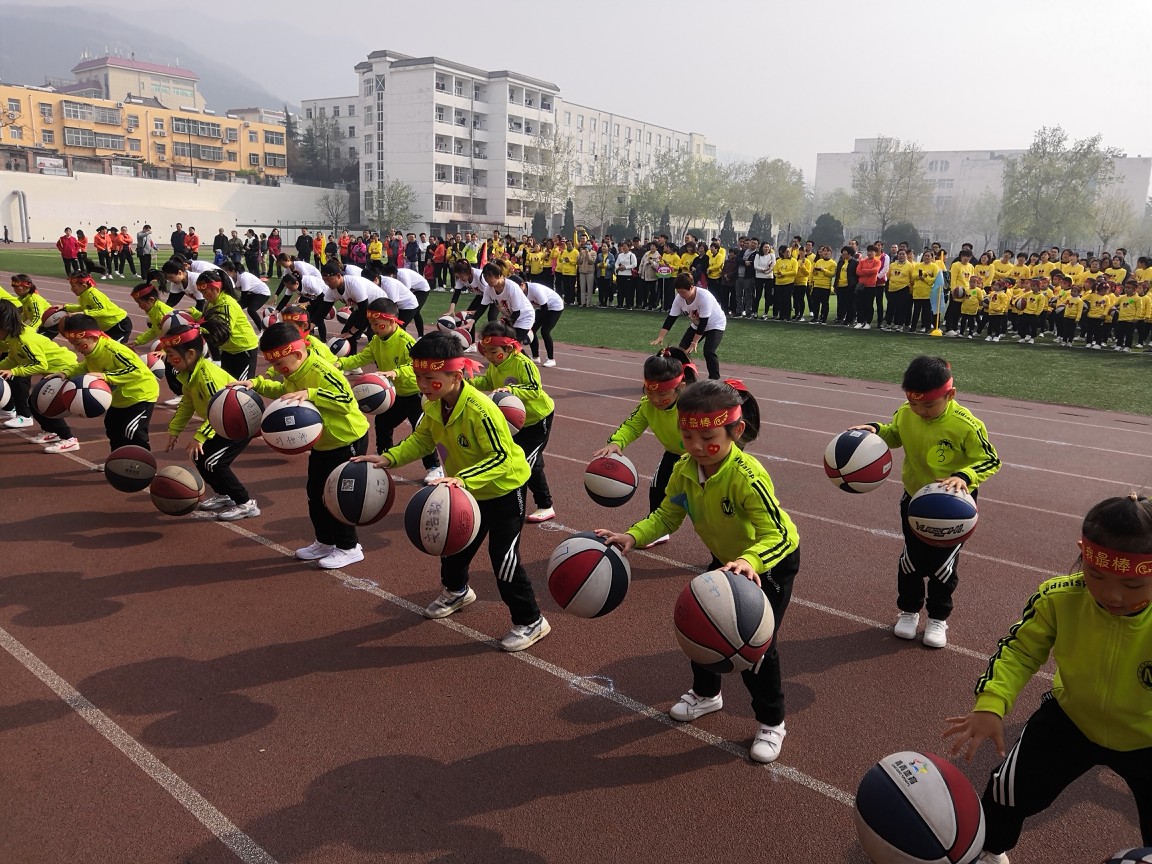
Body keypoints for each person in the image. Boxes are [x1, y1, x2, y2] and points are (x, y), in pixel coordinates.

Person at [595, 379, 799, 764]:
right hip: (726, 561)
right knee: (702, 624)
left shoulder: (747, 476)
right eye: (687, 436)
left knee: (757, 646)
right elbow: (666, 516)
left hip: (767, 564)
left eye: (708, 438)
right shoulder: (685, 470)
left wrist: (750, 561)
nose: (696, 447)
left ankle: (772, 721)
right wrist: (633, 536)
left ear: (736, 431)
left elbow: (781, 534)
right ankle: (707, 695)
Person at [944, 494, 1152, 864]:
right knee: (1007, 790)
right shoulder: (1060, 597)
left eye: (1133, 585)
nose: (1112, 594)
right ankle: (989, 849)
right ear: (1083, 556)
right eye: (1096, 575)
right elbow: (1019, 651)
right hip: (1071, 719)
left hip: (1147, 737)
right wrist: (991, 704)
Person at [353, 332, 550, 653]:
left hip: (503, 488)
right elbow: (422, 440)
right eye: (418, 376)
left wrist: (462, 479)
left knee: (503, 558)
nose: (421, 384)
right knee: (453, 545)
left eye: (429, 378)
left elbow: (502, 457)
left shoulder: (481, 410)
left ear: (456, 376)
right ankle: (457, 592)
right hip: (465, 487)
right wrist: (388, 458)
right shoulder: (433, 403)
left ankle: (531, 620)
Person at [848, 356, 1001, 648]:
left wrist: (964, 476)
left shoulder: (966, 425)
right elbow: (895, 434)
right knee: (911, 559)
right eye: (914, 404)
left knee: (943, 565)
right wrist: (877, 430)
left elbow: (991, 459)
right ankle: (908, 611)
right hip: (914, 499)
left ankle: (938, 618)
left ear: (950, 395)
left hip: (954, 507)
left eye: (929, 406)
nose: (920, 411)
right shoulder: (907, 413)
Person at [245, 322, 370, 570]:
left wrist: (312, 394)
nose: (277, 369)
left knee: (337, 497)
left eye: (279, 364)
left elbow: (347, 401)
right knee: (315, 494)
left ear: (297, 354)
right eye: (273, 365)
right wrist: (257, 384)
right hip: (323, 443)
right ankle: (325, 542)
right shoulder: (294, 371)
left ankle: (349, 547)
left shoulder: (322, 371)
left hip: (347, 440)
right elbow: (285, 391)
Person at [594, 346, 697, 547]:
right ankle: (657, 532)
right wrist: (616, 442)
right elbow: (632, 426)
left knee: (703, 506)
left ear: (681, 387)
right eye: (650, 393)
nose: (656, 400)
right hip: (674, 454)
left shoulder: (692, 408)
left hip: (701, 459)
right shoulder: (647, 406)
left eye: (663, 394)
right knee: (657, 489)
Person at [335, 297, 442, 483]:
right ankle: (383, 455)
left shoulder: (405, 341)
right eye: (371, 323)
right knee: (383, 422)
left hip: (415, 394)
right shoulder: (376, 341)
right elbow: (360, 358)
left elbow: (416, 366)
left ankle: (434, 467)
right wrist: (340, 363)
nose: (373, 327)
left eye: (377, 324)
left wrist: (396, 372)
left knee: (421, 431)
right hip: (394, 394)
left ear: (392, 321)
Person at [162, 319, 260, 522]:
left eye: (171, 355)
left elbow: (221, 410)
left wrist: (200, 437)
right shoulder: (189, 373)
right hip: (222, 422)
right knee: (201, 457)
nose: (169, 360)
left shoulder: (208, 377)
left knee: (214, 462)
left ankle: (246, 503)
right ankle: (225, 494)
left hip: (239, 422)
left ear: (190, 354)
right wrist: (174, 430)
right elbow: (187, 404)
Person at [472, 321, 556, 523]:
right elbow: (489, 382)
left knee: (527, 463)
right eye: (486, 352)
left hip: (537, 419)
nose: (489, 356)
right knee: (517, 458)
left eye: (494, 352)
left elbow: (534, 389)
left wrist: (510, 390)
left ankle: (545, 505)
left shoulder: (522, 363)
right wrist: (468, 382)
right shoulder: (496, 365)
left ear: (508, 348)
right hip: (515, 423)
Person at [52, 313, 159, 458]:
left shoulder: (113, 350)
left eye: (79, 344)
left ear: (94, 337)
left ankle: (141, 464)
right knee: (113, 428)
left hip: (140, 395)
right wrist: (66, 373)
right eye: (73, 344)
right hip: (119, 398)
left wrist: (106, 376)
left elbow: (137, 370)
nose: (77, 348)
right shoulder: (93, 350)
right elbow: (85, 366)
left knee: (132, 431)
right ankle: (117, 461)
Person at [0, 299, 79, 448]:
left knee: (45, 402)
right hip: (53, 371)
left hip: (64, 369)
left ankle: (69, 439)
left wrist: (14, 371)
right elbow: (13, 359)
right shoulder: (14, 337)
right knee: (33, 403)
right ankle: (52, 432)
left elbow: (40, 364)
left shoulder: (24, 340)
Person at [650, 273, 726, 380]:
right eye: (678, 292)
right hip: (697, 324)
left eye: (683, 292)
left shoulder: (704, 297)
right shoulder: (679, 299)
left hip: (715, 324)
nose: (680, 295)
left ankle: (714, 380)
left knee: (709, 351)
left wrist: (694, 342)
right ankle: (686, 378)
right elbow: (671, 318)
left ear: (691, 287)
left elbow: (704, 323)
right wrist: (661, 336)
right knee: (681, 351)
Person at [196, 271, 260, 379]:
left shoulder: (227, 304)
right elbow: (207, 319)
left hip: (243, 349)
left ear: (216, 289)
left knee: (242, 386)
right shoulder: (212, 303)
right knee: (226, 383)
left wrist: (199, 329)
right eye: (202, 293)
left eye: (205, 292)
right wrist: (194, 315)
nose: (204, 296)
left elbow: (223, 332)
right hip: (228, 350)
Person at [62, 268, 132, 343]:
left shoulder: (93, 295)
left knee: (117, 348)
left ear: (84, 286)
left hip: (119, 324)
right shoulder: (83, 295)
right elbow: (83, 308)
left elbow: (102, 311)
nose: (72, 289)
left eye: (73, 286)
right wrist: (65, 307)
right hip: (108, 328)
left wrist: (82, 313)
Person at [521, 278, 564, 367]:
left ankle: (551, 359)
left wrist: (534, 320)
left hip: (555, 306)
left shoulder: (535, 289)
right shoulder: (519, 293)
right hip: (541, 307)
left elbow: (545, 308)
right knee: (531, 330)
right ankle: (535, 357)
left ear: (523, 284)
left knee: (545, 331)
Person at [220, 259, 270, 332]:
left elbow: (244, 297)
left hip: (263, 293)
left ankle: (262, 329)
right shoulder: (231, 278)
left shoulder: (243, 277)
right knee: (235, 307)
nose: (225, 274)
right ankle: (229, 325)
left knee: (251, 309)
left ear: (233, 271)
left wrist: (235, 303)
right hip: (252, 293)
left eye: (226, 272)